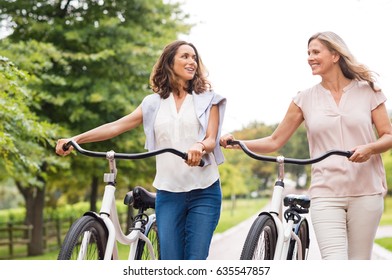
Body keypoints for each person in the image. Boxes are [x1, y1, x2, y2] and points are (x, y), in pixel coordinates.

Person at [220, 31, 392, 260]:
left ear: (335, 55)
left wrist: (369, 148)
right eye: (308, 53)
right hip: (326, 192)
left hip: (366, 191)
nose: (309, 57)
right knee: (334, 261)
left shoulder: (368, 91)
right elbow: (275, 140)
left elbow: (388, 135)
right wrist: (239, 143)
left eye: (315, 52)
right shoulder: (304, 99)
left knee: (359, 261)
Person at [56, 40, 226, 260]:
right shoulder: (153, 103)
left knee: (195, 261)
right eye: (185, 56)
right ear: (169, 61)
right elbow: (117, 125)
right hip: (168, 192)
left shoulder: (207, 100)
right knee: (170, 263)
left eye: (194, 57)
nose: (191, 61)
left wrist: (199, 146)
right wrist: (76, 138)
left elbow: (211, 138)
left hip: (204, 191)